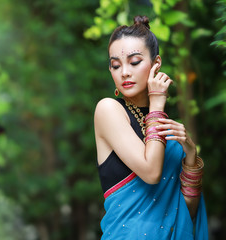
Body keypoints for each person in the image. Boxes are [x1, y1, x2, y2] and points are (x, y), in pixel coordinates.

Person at [94, 15, 208, 239]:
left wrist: (192, 157)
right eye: (115, 65)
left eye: (134, 62)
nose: (124, 72)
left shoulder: (169, 132)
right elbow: (152, 173)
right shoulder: (108, 110)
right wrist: (157, 101)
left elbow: (187, 212)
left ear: (156, 64)